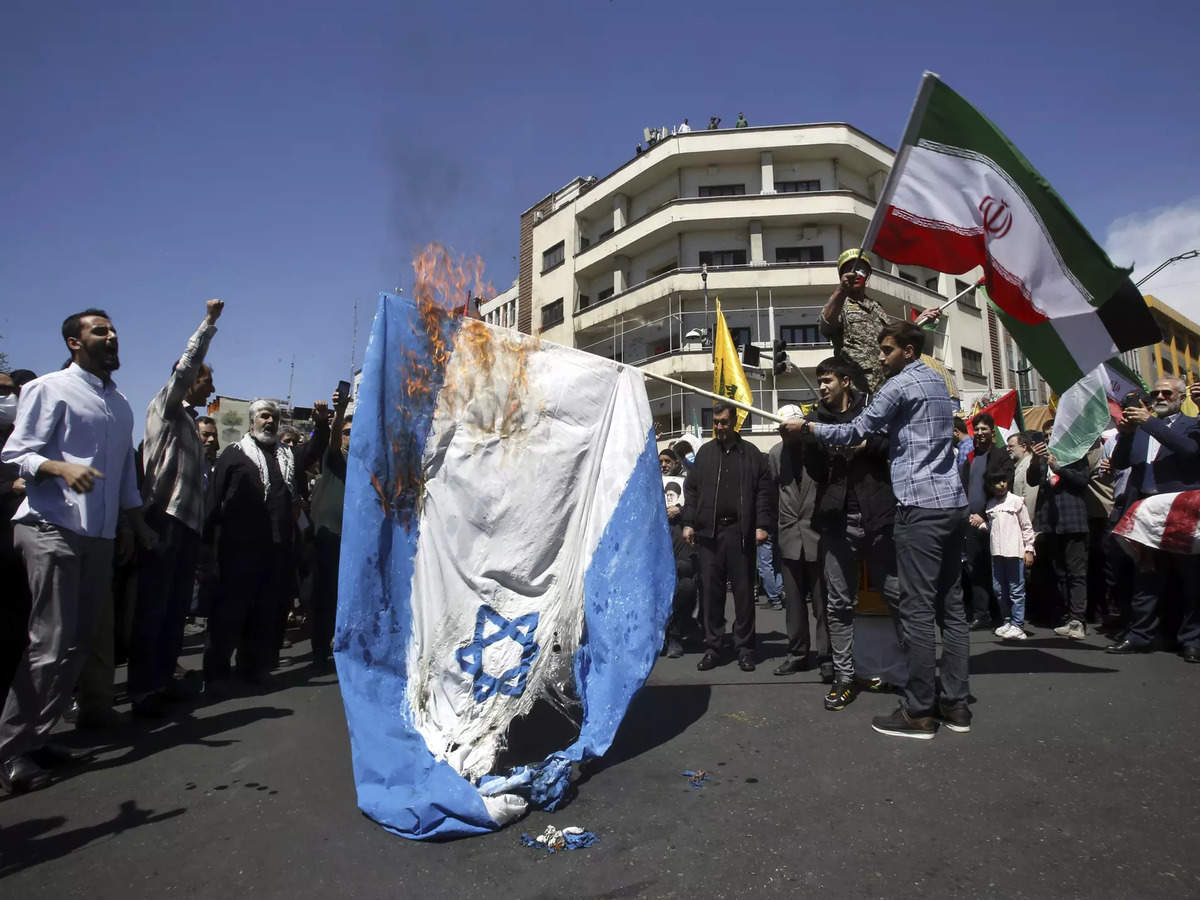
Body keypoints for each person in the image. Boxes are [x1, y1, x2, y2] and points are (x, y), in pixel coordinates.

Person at [781, 321, 970, 740]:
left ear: (906, 349)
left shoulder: (897, 387)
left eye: (886, 351)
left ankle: (920, 711)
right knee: (951, 611)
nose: (880, 359)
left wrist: (809, 427)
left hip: (916, 508)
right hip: (952, 504)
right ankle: (956, 704)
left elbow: (854, 432)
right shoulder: (939, 382)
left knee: (916, 611)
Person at [0, 310, 155, 793]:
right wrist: (58, 468)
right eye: (100, 331)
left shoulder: (121, 403)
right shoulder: (48, 388)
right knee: (49, 645)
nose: (112, 337)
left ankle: (37, 738)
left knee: (78, 644)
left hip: (100, 536)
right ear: (74, 342)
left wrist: (136, 525)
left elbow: (126, 475)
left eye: (113, 330)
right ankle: (9, 755)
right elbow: (14, 454)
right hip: (52, 527)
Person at [128, 299, 223, 717]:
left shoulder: (191, 425)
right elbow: (186, 365)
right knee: (154, 607)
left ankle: (162, 680)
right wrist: (208, 324)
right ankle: (142, 690)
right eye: (207, 381)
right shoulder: (167, 409)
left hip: (186, 527)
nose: (211, 389)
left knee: (173, 609)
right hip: (162, 518)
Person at [205, 397, 327, 691]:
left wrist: (322, 423)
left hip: (276, 551)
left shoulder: (286, 456)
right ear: (252, 422)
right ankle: (216, 674)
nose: (269, 421)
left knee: (264, 614)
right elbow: (213, 502)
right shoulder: (234, 455)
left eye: (273, 417)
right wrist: (207, 548)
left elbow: (313, 449)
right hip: (239, 551)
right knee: (229, 614)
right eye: (263, 416)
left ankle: (254, 669)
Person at [803, 357, 900, 708]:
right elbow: (814, 472)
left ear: (846, 381)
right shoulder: (814, 421)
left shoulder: (873, 411)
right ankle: (845, 678)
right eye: (820, 381)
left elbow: (892, 446)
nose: (822, 387)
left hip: (878, 519)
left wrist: (864, 444)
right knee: (839, 604)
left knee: (897, 596)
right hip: (836, 522)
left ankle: (912, 674)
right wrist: (806, 442)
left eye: (827, 380)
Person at [1107, 376, 1200, 657]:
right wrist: (1125, 434)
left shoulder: (1191, 426)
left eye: (1166, 393)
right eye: (1155, 392)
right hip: (1145, 511)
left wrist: (1149, 422)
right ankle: (1140, 636)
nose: (1159, 397)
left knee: (1192, 578)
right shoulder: (1141, 427)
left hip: (1181, 510)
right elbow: (1120, 463)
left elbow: (1190, 451)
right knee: (1146, 577)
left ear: (1181, 398)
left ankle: (1193, 640)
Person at [682, 400, 772, 672]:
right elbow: (692, 491)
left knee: (744, 594)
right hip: (709, 533)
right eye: (716, 423)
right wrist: (688, 522)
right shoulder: (705, 454)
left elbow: (764, 493)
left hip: (741, 533)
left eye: (724, 422)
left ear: (735, 423)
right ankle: (713, 647)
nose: (719, 427)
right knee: (711, 593)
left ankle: (745, 648)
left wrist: (762, 525)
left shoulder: (752, 454)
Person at [819, 249, 940, 394]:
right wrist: (841, 290)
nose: (855, 273)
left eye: (860, 269)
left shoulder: (877, 308)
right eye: (849, 270)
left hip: (884, 384)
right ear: (842, 276)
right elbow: (826, 325)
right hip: (856, 388)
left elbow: (893, 338)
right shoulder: (839, 305)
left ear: (868, 275)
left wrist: (917, 322)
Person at [768, 404, 827, 680]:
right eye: (780, 429)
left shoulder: (819, 452)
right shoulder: (775, 455)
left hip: (818, 536)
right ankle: (798, 654)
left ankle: (827, 657)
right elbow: (772, 494)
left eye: (787, 428)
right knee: (793, 603)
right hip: (789, 536)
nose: (783, 433)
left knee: (822, 603)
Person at [1026, 438, 1090, 639]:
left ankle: (1078, 619)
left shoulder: (1077, 453)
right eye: (1046, 436)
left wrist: (1059, 468)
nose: (1050, 439)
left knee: (1076, 572)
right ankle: (1067, 615)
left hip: (1073, 521)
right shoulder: (1044, 457)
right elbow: (1032, 480)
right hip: (1051, 524)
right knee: (1059, 572)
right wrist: (1036, 460)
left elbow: (1082, 481)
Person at [0, 369, 37, 701]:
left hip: (20, 554)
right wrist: (8, 487)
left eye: (12, 391)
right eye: (2, 391)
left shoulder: (20, 441)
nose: (9, 398)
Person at [960, 413, 1014, 628]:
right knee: (975, 568)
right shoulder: (970, 458)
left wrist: (983, 514)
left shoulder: (1001, 456)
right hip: (971, 522)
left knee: (998, 568)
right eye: (978, 429)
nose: (980, 433)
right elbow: (963, 487)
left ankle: (1002, 613)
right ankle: (981, 614)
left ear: (992, 432)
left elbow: (1002, 485)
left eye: (984, 429)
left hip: (993, 519)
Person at [309, 391, 350, 669]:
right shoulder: (335, 457)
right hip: (327, 536)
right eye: (347, 431)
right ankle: (320, 649)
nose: (349, 436)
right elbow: (333, 439)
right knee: (323, 594)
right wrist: (339, 412)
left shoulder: (363, 463)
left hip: (350, 542)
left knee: (342, 594)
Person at [979, 471, 1036, 640]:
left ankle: (1018, 624)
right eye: (997, 482)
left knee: (1016, 589)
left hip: (1014, 552)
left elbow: (1026, 526)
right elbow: (993, 528)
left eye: (1004, 481)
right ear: (990, 486)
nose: (1002, 484)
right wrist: (981, 524)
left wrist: (1029, 549)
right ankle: (1007, 620)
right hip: (997, 552)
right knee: (999, 589)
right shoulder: (990, 504)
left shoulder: (1016, 502)